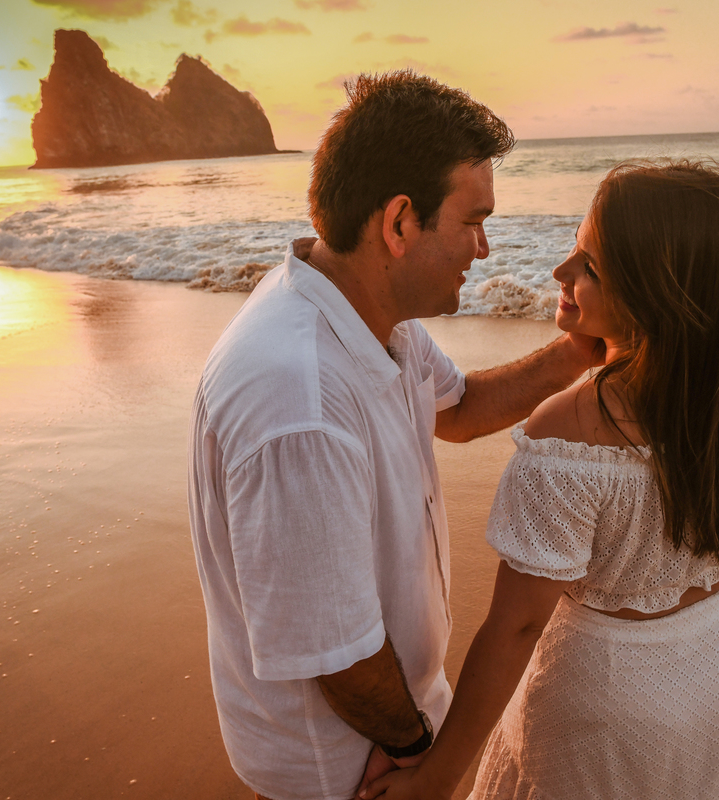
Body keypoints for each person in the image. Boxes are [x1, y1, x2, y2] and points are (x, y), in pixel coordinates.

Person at [187, 71, 604, 800]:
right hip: (347, 767)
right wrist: (422, 759)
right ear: (401, 224)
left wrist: (578, 353)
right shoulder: (300, 404)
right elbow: (339, 655)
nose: (484, 249)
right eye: (473, 221)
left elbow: (459, 409)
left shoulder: (364, 308)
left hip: (388, 723)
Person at [362, 161, 719, 800]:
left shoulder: (571, 434)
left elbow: (516, 628)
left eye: (589, 265)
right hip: (716, 667)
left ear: (653, 292)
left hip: (604, 704)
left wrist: (436, 776)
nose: (560, 272)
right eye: (574, 246)